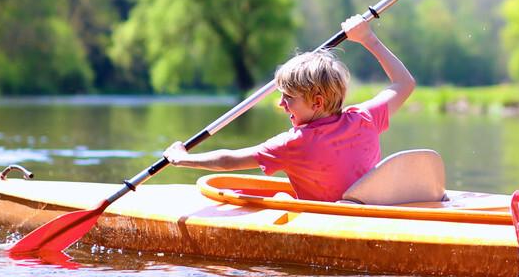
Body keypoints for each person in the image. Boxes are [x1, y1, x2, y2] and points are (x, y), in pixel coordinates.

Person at [162, 14, 415, 202]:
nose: (282, 105)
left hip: (332, 222)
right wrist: (368, 39)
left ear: (317, 102)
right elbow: (404, 83)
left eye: (288, 98)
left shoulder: (295, 143)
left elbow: (228, 161)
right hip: (371, 213)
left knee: (283, 198)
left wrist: (183, 159)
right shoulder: (365, 117)